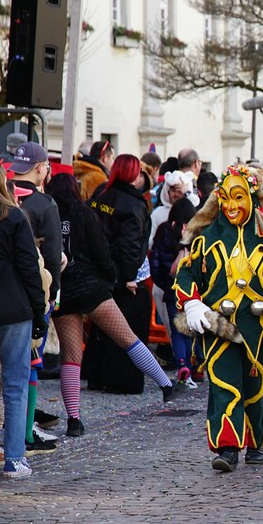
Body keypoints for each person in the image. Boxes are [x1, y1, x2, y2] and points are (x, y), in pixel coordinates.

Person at [174, 164, 263, 471]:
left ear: (253, 199)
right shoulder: (206, 240)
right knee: (224, 384)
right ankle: (228, 447)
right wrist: (191, 303)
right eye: (226, 198)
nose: (232, 206)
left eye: (239, 197)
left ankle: (256, 442)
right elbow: (186, 273)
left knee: (256, 386)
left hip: (261, 328)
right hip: (220, 327)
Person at [46, 173, 174, 437]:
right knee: (128, 339)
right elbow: (101, 251)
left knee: (71, 358)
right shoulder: (84, 213)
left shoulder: (47, 216)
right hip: (92, 289)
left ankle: (74, 420)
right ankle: (165, 384)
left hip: (64, 292)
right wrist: (110, 278)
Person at [0, 160, 46, 479]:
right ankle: (15, 458)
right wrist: (39, 308)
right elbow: (30, 268)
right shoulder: (15, 217)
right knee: (15, 383)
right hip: (14, 307)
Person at [84, 155, 176, 398]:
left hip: (98, 271)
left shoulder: (101, 196)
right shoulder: (134, 205)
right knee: (128, 331)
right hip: (122, 276)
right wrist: (128, 277)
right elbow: (131, 246)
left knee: (99, 330)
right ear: (133, 175)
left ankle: (96, 376)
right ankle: (125, 380)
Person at [9, 143, 63, 450]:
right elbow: (52, 257)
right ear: (41, 168)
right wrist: (52, 295)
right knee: (30, 364)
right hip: (33, 292)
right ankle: (24, 435)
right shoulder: (44, 204)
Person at [149, 198, 199, 385]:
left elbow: (155, 263)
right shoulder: (198, 233)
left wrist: (164, 284)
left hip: (172, 291)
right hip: (193, 291)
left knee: (178, 330)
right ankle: (194, 367)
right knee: (193, 329)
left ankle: (181, 364)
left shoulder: (164, 231)